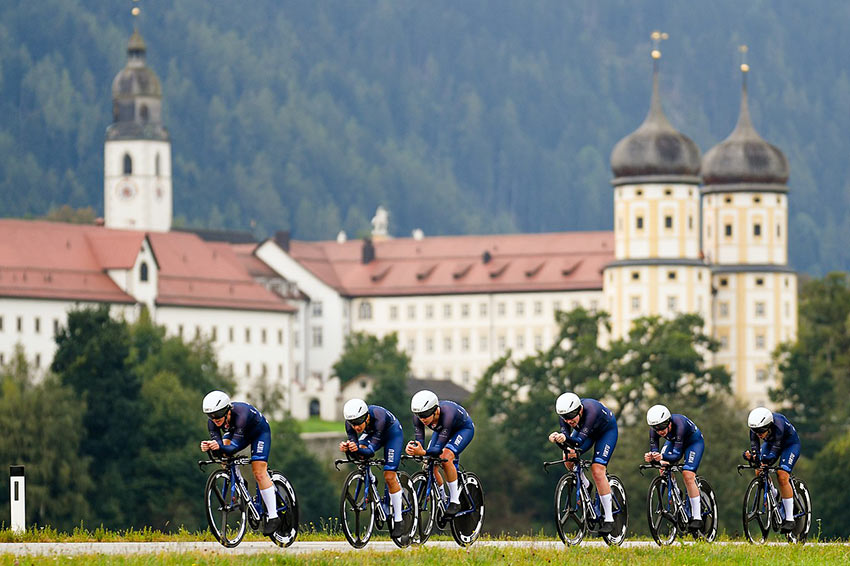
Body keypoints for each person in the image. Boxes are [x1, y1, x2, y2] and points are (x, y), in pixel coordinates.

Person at [199, 390, 280, 535]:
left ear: (226, 411)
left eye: (217, 415)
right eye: (210, 416)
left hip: (259, 433)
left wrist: (220, 446)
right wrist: (209, 447)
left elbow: (233, 447)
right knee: (223, 455)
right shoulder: (212, 423)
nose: (214, 419)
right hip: (237, 433)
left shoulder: (241, 415)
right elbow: (221, 448)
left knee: (259, 472)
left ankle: (273, 516)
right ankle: (238, 481)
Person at [548, 392, 618, 534]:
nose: (568, 421)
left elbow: (578, 441)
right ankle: (585, 483)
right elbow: (567, 439)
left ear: (579, 409)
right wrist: (557, 437)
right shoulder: (566, 416)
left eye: (571, 416)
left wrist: (565, 439)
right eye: (565, 417)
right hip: (587, 434)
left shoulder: (591, 410)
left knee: (597, 470)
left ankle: (609, 519)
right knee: (568, 456)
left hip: (606, 432)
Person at [339, 398, 408, 541]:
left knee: (389, 475)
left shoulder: (379, 416)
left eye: (358, 423)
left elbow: (370, 452)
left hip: (391, 434)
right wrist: (349, 448)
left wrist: (358, 448)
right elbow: (356, 446)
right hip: (372, 434)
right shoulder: (350, 424)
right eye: (353, 424)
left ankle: (399, 519)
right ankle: (371, 479)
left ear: (367, 416)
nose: (356, 428)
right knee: (360, 453)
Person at [405, 390, 475, 517]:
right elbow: (419, 442)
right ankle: (442, 499)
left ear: (436, 410)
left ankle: (455, 501)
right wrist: (414, 449)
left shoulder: (448, 413)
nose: (422, 419)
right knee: (428, 463)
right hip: (442, 430)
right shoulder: (419, 418)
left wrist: (423, 452)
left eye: (425, 415)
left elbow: (437, 450)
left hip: (462, 430)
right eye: (419, 415)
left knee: (445, 457)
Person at [644, 404, 706, 529]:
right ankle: (675, 490)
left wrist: (661, 457)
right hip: (675, 442)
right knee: (663, 467)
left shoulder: (679, 424)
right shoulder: (655, 430)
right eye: (656, 428)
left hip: (693, 442)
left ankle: (697, 517)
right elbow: (656, 453)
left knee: (688, 475)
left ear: (669, 422)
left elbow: (677, 456)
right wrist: (652, 457)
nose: (659, 431)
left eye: (662, 427)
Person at [743, 406, 801, 533]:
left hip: (790, 445)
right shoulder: (755, 430)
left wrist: (763, 460)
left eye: (761, 431)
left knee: (782, 475)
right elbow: (756, 451)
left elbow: (773, 454)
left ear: (769, 426)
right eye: (756, 431)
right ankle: (773, 493)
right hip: (771, 445)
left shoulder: (779, 424)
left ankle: (790, 519)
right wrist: (752, 456)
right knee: (759, 470)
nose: (759, 435)